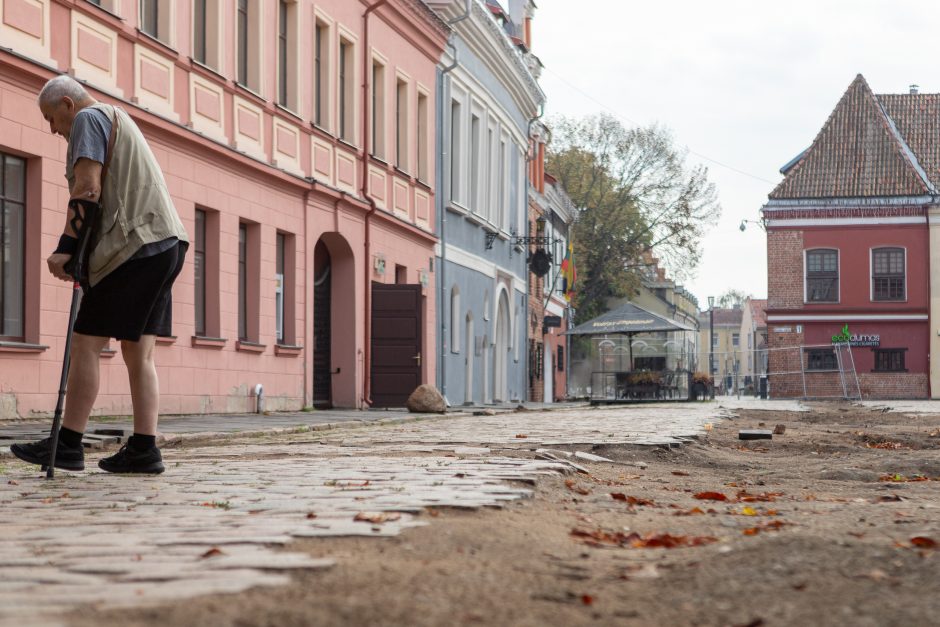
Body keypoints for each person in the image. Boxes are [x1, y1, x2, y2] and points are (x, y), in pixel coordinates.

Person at [10, 75, 189, 474]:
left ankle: (69, 444)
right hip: (166, 243)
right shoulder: (118, 118)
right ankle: (144, 448)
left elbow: (87, 188)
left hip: (135, 248)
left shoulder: (89, 119)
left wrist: (66, 249)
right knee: (138, 351)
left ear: (67, 105)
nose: (52, 129)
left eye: (50, 117)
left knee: (86, 341)